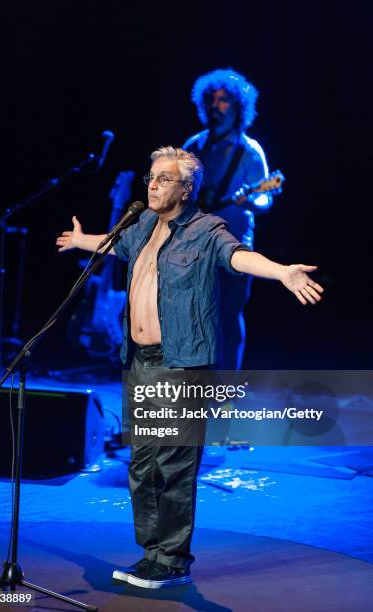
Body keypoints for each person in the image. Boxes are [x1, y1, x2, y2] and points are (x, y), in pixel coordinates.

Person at [56, 147, 323, 589]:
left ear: (186, 188)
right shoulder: (142, 224)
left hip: (180, 365)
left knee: (174, 466)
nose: (153, 184)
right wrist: (82, 241)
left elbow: (238, 256)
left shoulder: (206, 230)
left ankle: (173, 561)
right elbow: (117, 245)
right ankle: (151, 555)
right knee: (142, 464)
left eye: (164, 178)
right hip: (138, 361)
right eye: (151, 177)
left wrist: (281, 273)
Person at [183, 68, 272, 369]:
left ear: (238, 108)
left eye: (223, 101)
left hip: (233, 247)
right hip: (193, 246)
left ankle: (226, 392)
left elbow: (265, 198)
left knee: (228, 318)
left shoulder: (250, 151)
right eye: (211, 100)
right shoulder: (194, 145)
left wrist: (252, 199)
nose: (215, 106)